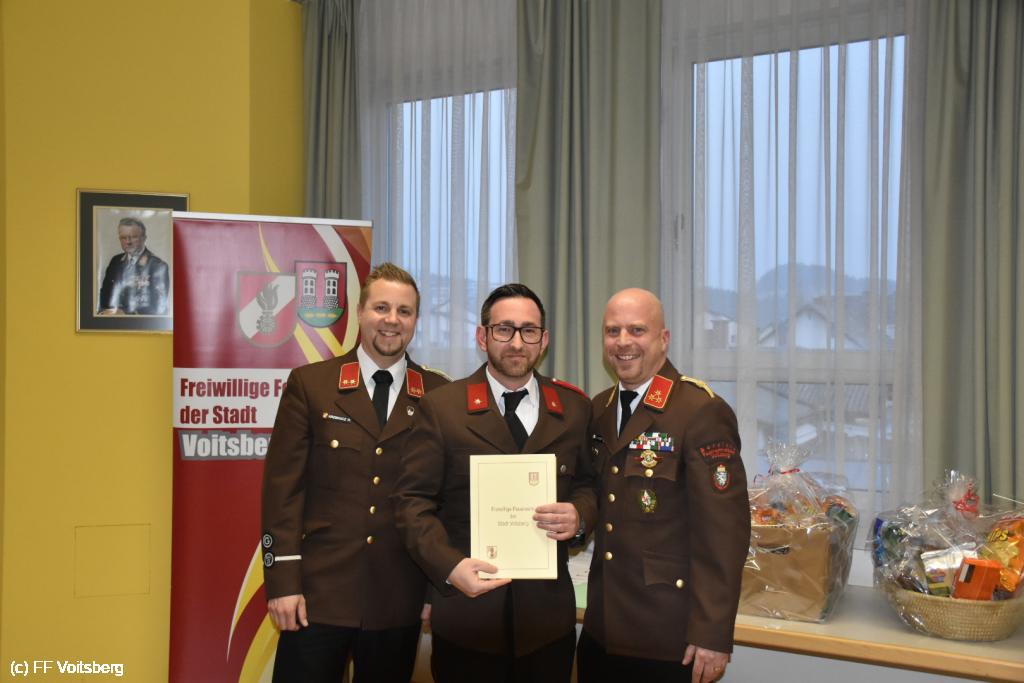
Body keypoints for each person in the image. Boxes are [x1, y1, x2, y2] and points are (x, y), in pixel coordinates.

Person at [392, 283, 597, 683]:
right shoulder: (443, 408)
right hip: (467, 617)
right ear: (482, 336)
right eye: (504, 329)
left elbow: (589, 484)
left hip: (546, 623)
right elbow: (412, 503)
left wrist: (580, 516)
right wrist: (449, 567)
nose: (517, 343)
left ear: (544, 340)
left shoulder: (574, 409)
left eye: (528, 331)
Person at [261, 263, 450, 683]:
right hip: (316, 594)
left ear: (416, 320)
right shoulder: (312, 385)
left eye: (404, 311)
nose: (392, 320)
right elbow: (282, 494)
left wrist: (435, 588)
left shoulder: (438, 395)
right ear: (361, 312)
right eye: (381, 307)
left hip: (398, 597)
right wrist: (282, 583)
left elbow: (443, 503)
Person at [577, 288, 750, 683]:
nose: (623, 342)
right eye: (612, 331)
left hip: (668, 635)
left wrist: (712, 633)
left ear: (663, 339)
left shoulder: (700, 410)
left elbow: (724, 533)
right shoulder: (600, 408)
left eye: (637, 330)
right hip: (602, 628)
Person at [97, 217, 169, 314]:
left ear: (144, 238)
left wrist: (125, 314)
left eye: (134, 237)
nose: (128, 242)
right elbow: (104, 297)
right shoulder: (115, 261)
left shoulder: (158, 266)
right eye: (123, 237)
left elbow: (158, 308)